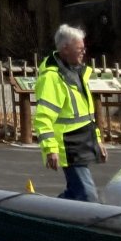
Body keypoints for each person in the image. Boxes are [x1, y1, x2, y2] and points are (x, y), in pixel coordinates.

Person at [33, 23, 106, 201]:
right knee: (88, 196)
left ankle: (47, 212)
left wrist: (97, 141)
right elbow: (43, 117)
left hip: (83, 140)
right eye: (79, 48)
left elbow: (87, 114)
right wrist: (51, 149)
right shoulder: (52, 77)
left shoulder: (79, 73)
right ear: (65, 49)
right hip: (69, 144)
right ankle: (49, 213)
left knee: (76, 194)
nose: (84, 52)